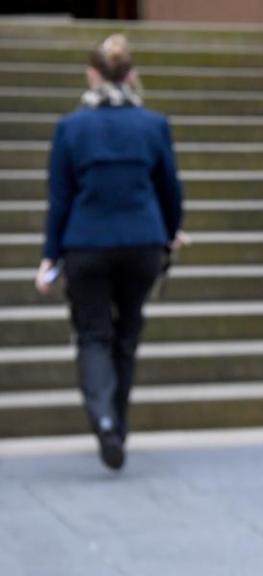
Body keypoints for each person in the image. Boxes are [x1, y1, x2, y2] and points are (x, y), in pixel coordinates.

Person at [34, 34, 187, 471]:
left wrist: (49, 255)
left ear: (92, 74)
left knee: (93, 335)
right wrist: (172, 230)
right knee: (127, 334)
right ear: (132, 75)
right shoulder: (153, 125)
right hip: (142, 242)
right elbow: (170, 189)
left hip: (86, 243)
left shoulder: (71, 127)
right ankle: (117, 423)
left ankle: (103, 419)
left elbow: (60, 198)